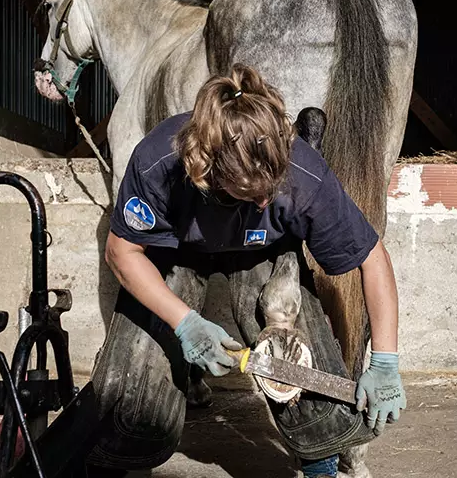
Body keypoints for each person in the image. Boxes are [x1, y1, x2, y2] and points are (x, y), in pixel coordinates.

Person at [90, 63, 406, 477]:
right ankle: (119, 457)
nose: (264, 202)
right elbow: (122, 252)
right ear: (208, 167)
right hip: (176, 250)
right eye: (250, 191)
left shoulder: (301, 172)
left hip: (261, 250)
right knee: (134, 379)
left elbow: (372, 258)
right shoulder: (159, 162)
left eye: (271, 189)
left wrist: (384, 362)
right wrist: (185, 323)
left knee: (294, 344)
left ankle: (320, 462)